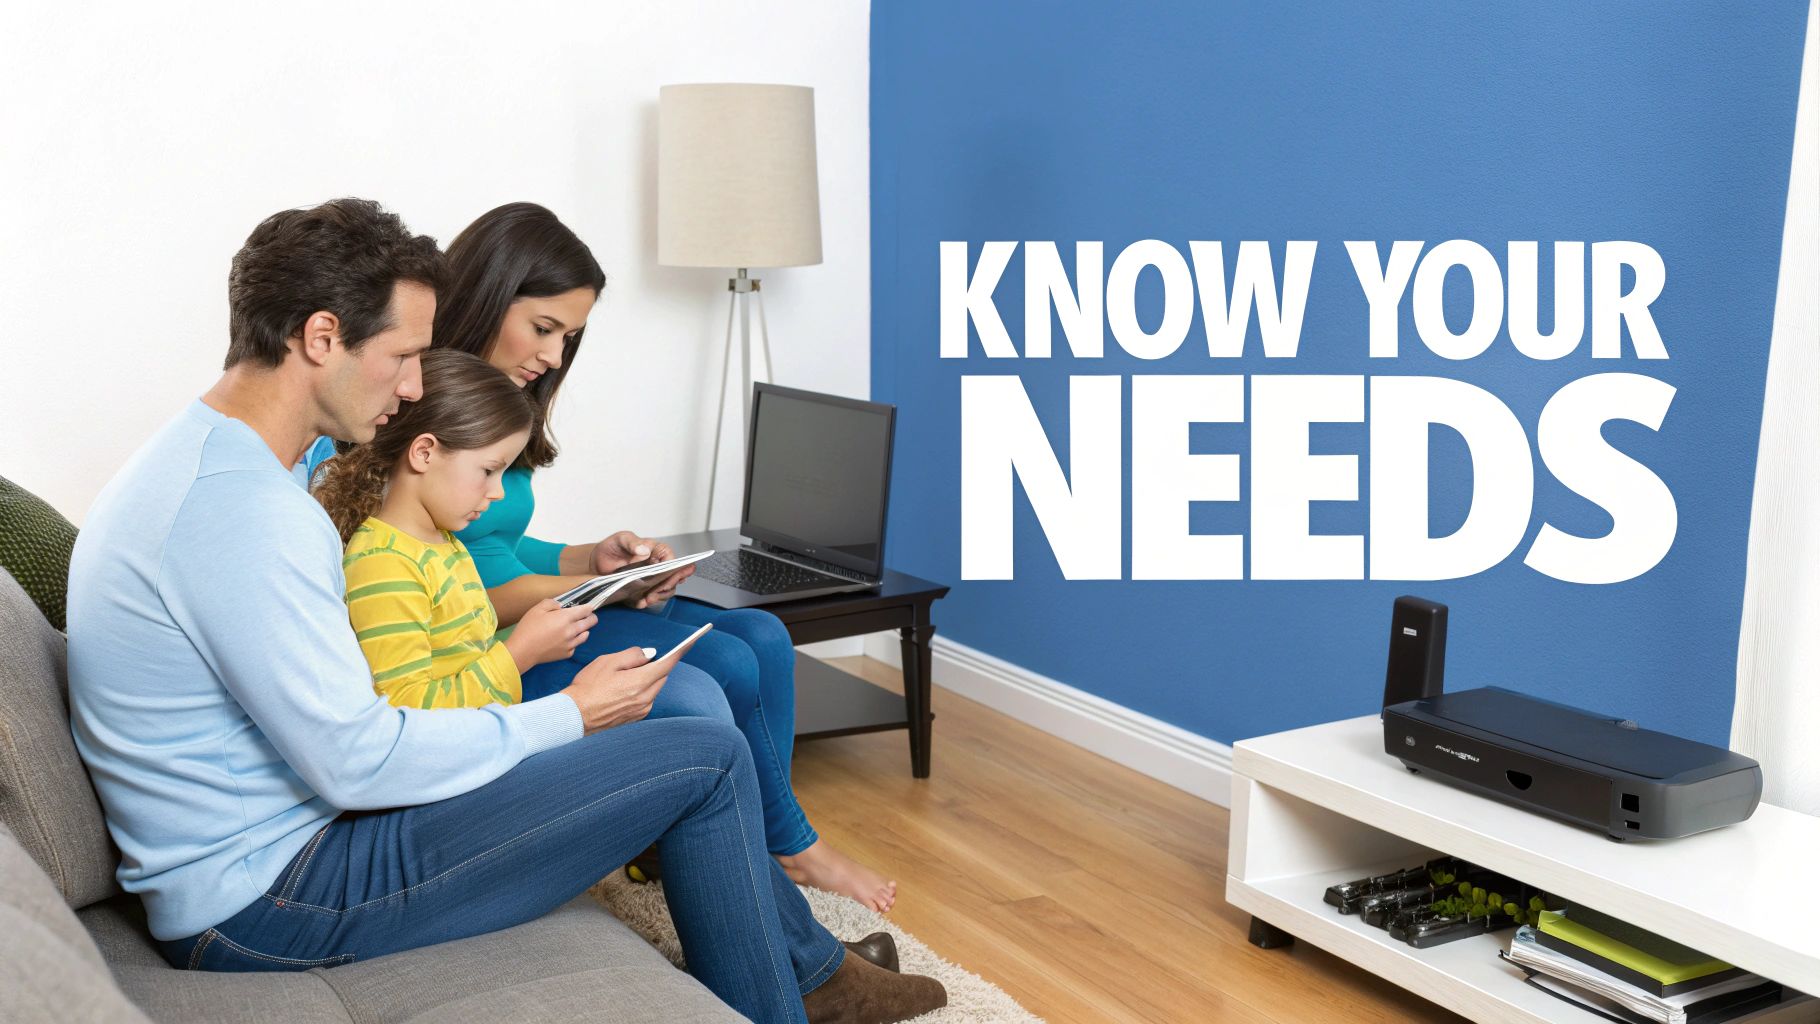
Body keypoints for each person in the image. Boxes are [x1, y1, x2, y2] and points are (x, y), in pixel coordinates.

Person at [65, 197, 944, 1023]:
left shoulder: (221, 464)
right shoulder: (243, 513)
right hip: (275, 899)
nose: (414, 386)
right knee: (704, 754)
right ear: (322, 338)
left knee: (695, 728)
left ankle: (804, 978)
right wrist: (570, 714)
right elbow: (359, 763)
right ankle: (801, 989)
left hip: (273, 859)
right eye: (404, 356)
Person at [305, 202, 898, 913]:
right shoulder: (402, 401)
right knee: (714, 678)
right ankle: (776, 850)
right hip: (486, 644)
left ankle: (765, 840)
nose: (554, 356)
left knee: (763, 637)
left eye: (569, 338)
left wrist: (595, 558)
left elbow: (494, 543)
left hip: (524, 617)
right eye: (545, 329)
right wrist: (589, 588)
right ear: (491, 297)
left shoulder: (491, 405)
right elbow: (431, 592)